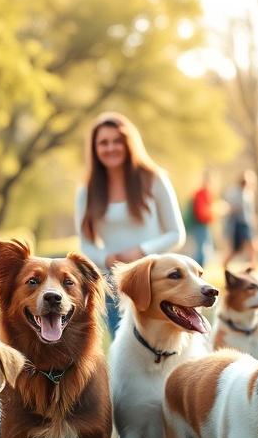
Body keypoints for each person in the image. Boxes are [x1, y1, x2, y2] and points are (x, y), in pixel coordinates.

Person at [75, 112, 186, 336]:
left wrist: (141, 251)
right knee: (123, 348)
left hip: (157, 280)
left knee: (165, 349)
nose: (111, 148)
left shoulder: (154, 179)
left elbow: (176, 234)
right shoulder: (86, 191)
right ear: (95, 149)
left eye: (117, 141)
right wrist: (106, 258)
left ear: (128, 143)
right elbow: (85, 245)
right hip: (117, 285)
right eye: (103, 143)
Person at [222, 170, 258, 268]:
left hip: (247, 225)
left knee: (254, 248)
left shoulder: (249, 193)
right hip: (237, 225)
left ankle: (253, 269)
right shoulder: (234, 192)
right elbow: (231, 208)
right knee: (235, 250)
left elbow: (250, 212)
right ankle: (225, 266)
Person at [185, 172, 215, 267]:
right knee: (201, 248)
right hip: (200, 223)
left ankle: (197, 268)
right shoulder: (202, 193)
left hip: (201, 223)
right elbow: (202, 212)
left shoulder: (200, 193)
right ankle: (197, 268)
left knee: (202, 247)